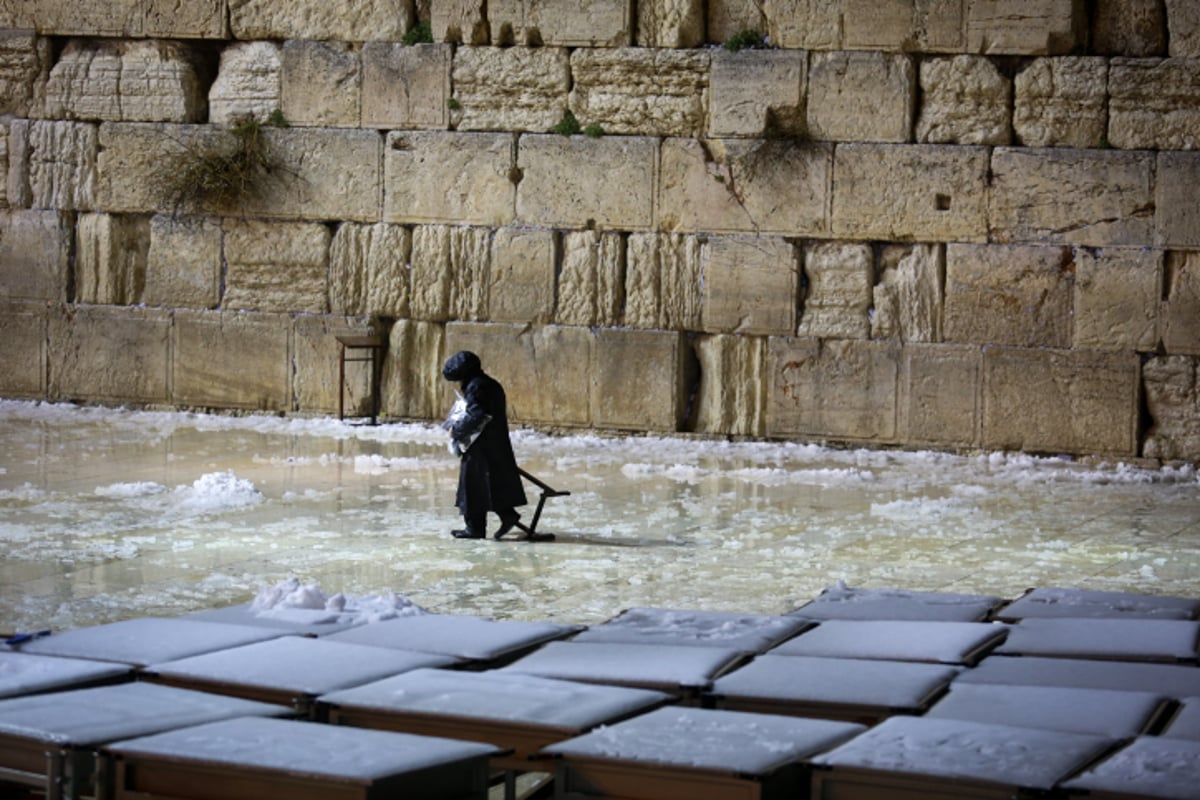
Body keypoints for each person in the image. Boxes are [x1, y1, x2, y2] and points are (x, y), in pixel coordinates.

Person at [442, 351, 527, 539]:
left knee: (472, 486)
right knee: (490, 483)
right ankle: (507, 515)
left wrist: (456, 431)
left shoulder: (478, 386)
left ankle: (475, 528)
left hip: (481, 445)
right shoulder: (486, 383)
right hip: (491, 443)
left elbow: (476, 415)